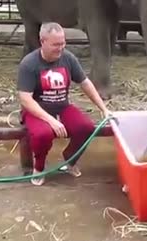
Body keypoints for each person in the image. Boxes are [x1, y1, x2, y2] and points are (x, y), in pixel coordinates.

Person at [17, 22, 112, 186]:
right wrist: (51, 120)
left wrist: (103, 108)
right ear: (42, 41)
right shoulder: (29, 63)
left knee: (86, 127)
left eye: (63, 43)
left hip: (62, 106)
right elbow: (25, 98)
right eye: (56, 44)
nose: (60, 48)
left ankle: (70, 160)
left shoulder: (68, 58)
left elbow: (85, 83)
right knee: (43, 134)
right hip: (36, 110)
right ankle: (38, 168)